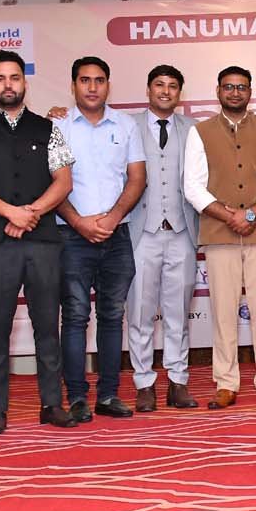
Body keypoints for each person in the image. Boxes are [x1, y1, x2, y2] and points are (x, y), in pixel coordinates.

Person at [0, 50, 76, 432]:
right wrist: (11, 213)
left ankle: (51, 404)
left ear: (24, 82)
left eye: (14, 78)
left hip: (43, 243)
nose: (7, 85)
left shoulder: (48, 128)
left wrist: (30, 213)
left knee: (47, 324)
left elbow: (63, 181)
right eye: (0, 78)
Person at [184, 67, 256, 409]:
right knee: (223, 310)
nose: (235, 92)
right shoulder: (200, 132)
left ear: (250, 92)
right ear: (218, 91)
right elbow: (192, 186)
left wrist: (250, 214)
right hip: (219, 233)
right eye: (228, 87)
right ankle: (226, 382)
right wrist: (228, 215)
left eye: (241, 87)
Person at [53, 57, 146, 421]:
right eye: (84, 80)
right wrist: (78, 222)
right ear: (73, 85)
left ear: (108, 85)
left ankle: (108, 395)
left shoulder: (125, 125)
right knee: (75, 317)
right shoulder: (57, 126)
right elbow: (49, 182)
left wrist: (112, 218)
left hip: (116, 234)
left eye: (99, 80)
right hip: (70, 235)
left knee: (112, 316)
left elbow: (137, 178)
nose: (92, 87)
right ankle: (77, 397)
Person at [125, 66, 200, 411]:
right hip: (141, 232)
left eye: (172, 86)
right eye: (159, 85)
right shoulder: (128, 126)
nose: (165, 91)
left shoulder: (194, 129)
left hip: (182, 231)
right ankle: (144, 383)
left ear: (179, 93)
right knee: (139, 312)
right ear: (148, 89)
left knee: (177, 313)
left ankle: (177, 381)